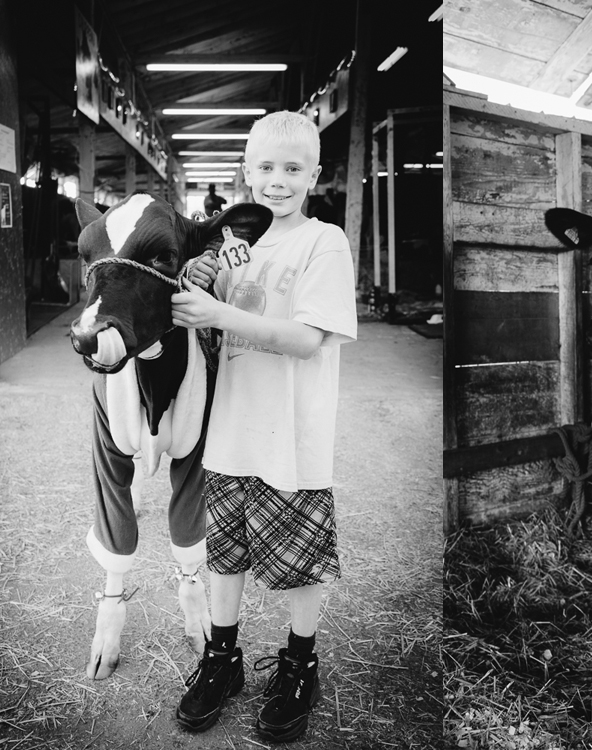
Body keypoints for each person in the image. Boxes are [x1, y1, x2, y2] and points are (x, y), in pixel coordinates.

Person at [169, 111, 357, 742]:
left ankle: (300, 665)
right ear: (246, 173)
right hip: (230, 429)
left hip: (292, 433)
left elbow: (306, 339)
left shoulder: (323, 241)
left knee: (301, 559)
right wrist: (203, 279)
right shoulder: (238, 248)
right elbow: (213, 321)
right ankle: (221, 659)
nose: (278, 181)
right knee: (225, 555)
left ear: (315, 175)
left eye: (293, 169)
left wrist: (218, 308)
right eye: (267, 168)